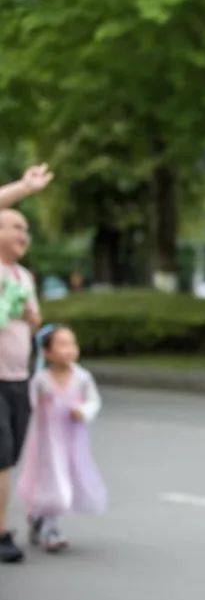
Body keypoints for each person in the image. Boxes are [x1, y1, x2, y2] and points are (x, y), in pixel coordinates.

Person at [17, 325, 107, 552]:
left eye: (72, 344)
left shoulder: (82, 378)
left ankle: (41, 518)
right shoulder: (41, 381)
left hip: (73, 442)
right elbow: (29, 407)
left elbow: (94, 401)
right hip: (47, 444)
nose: (69, 350)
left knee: (66, 482)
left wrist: (83, 411)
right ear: (46, 352)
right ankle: (50, 528)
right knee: (54, 486)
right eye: (62, 344)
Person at [0, 208, 45, 564]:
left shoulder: (24, 276)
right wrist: (25, 188)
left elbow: (33, 321)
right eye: (16, 227)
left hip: (18, 377)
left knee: (10, 454)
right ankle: (1, 533)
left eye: (26, 229)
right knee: (1, 456)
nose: (23, 235)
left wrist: (31, 318)